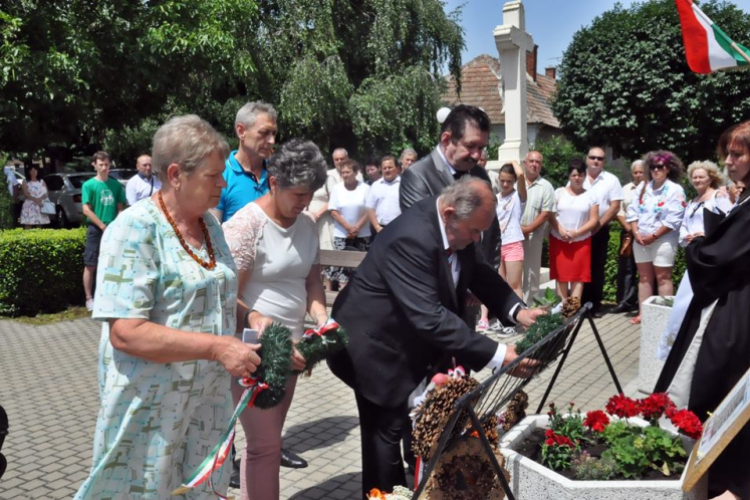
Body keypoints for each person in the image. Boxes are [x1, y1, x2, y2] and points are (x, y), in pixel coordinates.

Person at [73, 115, 261, 500]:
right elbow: (126, 332)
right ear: (176, 174)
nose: (223, 184)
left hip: (206, 409)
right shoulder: (134, 230)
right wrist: (217, 347)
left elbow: (214, 288)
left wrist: (250, 315)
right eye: (213, 176)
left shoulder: (208, 225)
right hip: (151, 414)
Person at [327, 178, 545, 499]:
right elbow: (430, 316)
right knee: (384, 443)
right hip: (371, 351)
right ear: (449, 214)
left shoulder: (459, 230)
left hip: (409, 344)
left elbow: (480, 273)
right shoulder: (412, 237)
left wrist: (518, 311)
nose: (478, 239)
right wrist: (500, 356)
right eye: (474, 231)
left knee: (415, 435)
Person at [222, 139, 329, 500]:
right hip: (254, 349)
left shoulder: (307, 225)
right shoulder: (247, 225)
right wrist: (257, 319)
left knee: (268, 442)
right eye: (298, 194)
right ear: (274, 184)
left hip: (294, 348)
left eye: (310, 194)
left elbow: (311, 280)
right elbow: (228, 297)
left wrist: (322, 316)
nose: (305, 203)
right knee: (265, 445)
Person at [655, 121, 750, 500]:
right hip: (735, 300)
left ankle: (727, 480)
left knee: (720, 385)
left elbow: (715, 258)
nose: (729, 160)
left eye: (738, 153)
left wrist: (697, 244)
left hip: (737, 310)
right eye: (727, 152)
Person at [400, 104, 501, 284]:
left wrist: (484, 281)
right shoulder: (417, 177)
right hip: (435, 291)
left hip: (471, 295)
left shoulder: (479, 174)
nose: (478, 155)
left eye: (482, 147)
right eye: (471, 146)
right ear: (447, 140)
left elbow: (492, 230)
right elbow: (429, 239)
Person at [657, 160, 732, 360]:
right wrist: (686, 237)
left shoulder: (719, 197)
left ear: (711, 177)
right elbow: (683, 227)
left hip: (709, 258)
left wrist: (705, 235)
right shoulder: (692, 201)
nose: (697, 180)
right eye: (694, 177)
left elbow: (728, 225)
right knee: (683, 302)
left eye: (701, 176)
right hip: (693, 255)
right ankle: (675, 348)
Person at [626, 151, 686, 325]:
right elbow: (632, 211)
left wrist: (654, 236)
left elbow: (674, 218)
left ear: (668, 169)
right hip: (641, 239)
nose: (656, 170)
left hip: (663, 239)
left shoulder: (675, 189)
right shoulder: (642, 187)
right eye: (652, 167)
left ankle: (664, 316)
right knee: (644, 278)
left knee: (663, 277)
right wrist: (636, 232)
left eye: (660, 167)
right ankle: (644, 314)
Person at [478, 161, 526, 333]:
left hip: (513, 243)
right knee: (500, 284)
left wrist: (512, 162)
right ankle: (502, 319)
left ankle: (514, 322)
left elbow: (521, 175)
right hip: (498, 245)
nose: (505, 184)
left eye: (509, 181)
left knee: (514, 285)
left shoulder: (518, 197)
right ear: (498, 180)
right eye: (502, 180)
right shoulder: (495, 199)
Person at [212, 101, 277, 223]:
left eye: (274, 133)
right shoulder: (221, 176)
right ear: (241, 131)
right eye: (264, 133)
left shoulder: (278, 174)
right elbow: (212, 234)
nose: (272, 141)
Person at [548, 158, 600, 301]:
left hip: (581, 243)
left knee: (578, 278)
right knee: (561, 278)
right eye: (574, 175)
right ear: (569, 176)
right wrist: (561, 230)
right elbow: (550, 215)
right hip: (559, 241)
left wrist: (576, 233)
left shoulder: (591, 195)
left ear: (584, 175)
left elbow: (594, 220)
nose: (577, 178)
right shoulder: (558, 192)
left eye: (580, 175)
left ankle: (572, 314)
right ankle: (563, 314)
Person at [580, 147, 623, 316]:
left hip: (600, 230)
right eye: (592, 157)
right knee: (581, 268)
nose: (596, 161)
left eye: (600, 158)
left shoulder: (611, 180)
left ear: (604, 161)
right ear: (587, 158)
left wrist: (598, 225)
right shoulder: (578, 177)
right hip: (580, 231)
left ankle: (594, 305)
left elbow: (615, 206)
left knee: (597, 268)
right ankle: (580, 304)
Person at [81, 151, 127, 311]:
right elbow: (86, 210)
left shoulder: (116, 185)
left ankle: (111, 296)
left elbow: (121, 207)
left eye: (107, 164)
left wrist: (116, 225)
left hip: (113, 229)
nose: (104, 167)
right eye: (101, 164)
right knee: (91, 264)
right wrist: (102, 226)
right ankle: (89, 298)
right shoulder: (88, 185)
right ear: (94, 165)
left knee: (113, 263)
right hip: (96, 228)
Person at [325, 159, 371, 287]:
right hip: (341, 234)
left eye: (347, 172)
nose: (344, 175)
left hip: (362, 234)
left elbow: (369, 210)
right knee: (342, 268)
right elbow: (333, 210)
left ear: (355, 173)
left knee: (361, 266)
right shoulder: (337, 188)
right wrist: (348, 227)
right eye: (342, 173)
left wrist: (356, 228)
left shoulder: (365, 188)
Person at [520, 150, 555, 304]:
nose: (534, 164)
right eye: (531, 161)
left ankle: (529, 306)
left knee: (531, 274)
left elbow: (546, 213)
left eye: (538, 162)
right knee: (511, 272)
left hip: (533, 237)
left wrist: (528, 229)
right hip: (512, 236)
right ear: (524, 163)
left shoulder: (546, 186)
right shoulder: (515, 183)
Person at [611, 160, 646, 314]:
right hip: (628, 234)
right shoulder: (625, 189)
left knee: (645, 270)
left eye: (641, 172)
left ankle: (644, 303)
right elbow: (619, 211)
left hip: (647, 235)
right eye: (636, 172)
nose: (638, 175)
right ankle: (625, 302)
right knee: (627, 269)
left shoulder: (653, 189)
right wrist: (628, 227)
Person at [366, 155, 401, 241]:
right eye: (384, 168)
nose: (387, 170)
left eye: (390, 167)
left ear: (397, 168)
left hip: (399, 229)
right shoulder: (376, 185)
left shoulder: (404, 185)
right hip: (379, 229)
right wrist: (377, 227)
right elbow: (370, 208)